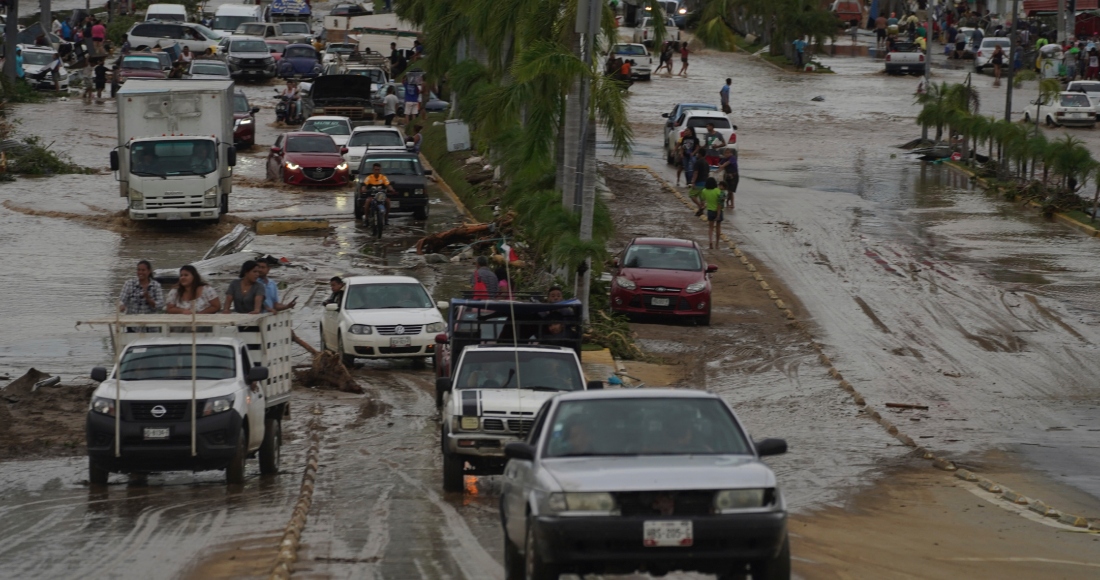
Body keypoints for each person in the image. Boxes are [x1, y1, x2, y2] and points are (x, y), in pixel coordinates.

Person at [691, 177, 725, 249]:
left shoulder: (704, 191)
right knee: (718, 228)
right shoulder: (718, 191)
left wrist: (702, 207)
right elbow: (721, 201)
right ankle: (717, 244)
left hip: (710, 211)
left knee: (710, 227)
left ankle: (710, 242)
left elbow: (702, 201)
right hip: (719, 211)